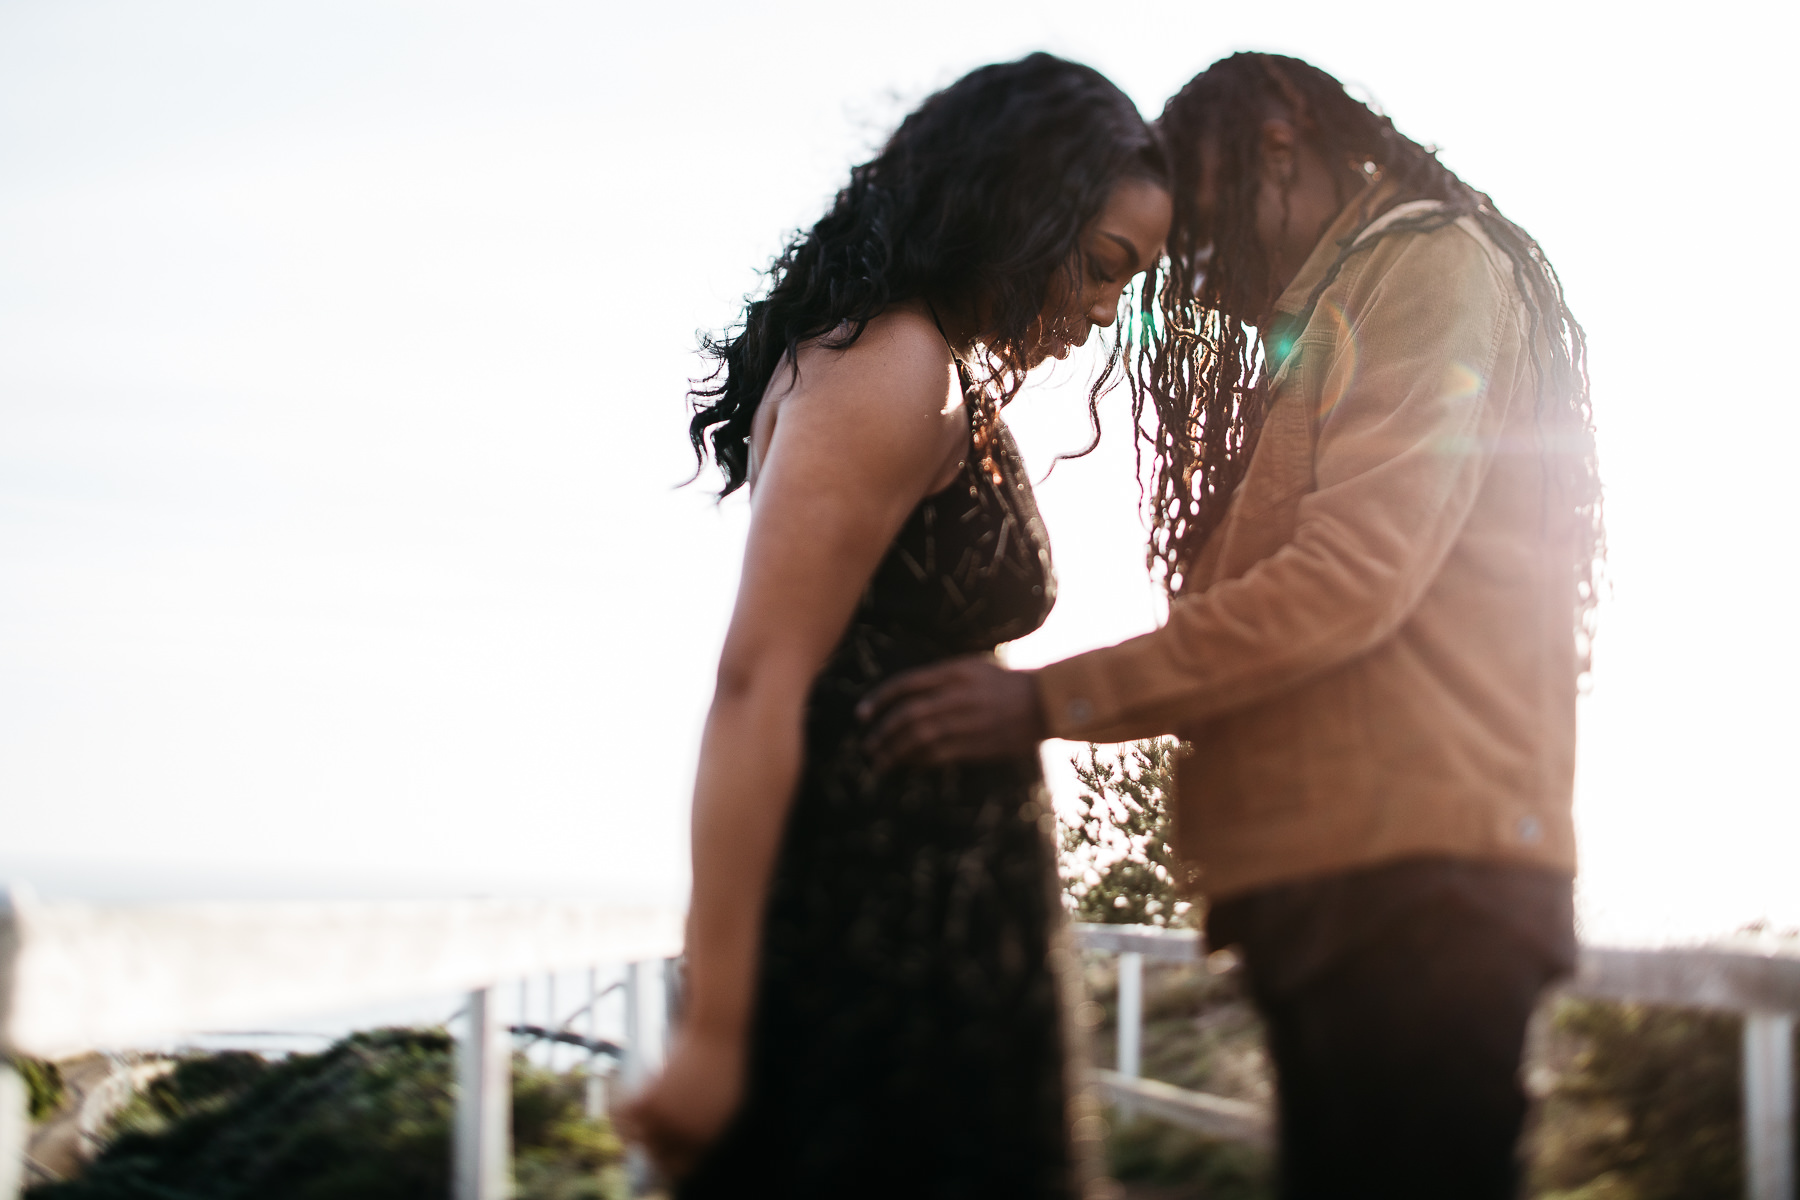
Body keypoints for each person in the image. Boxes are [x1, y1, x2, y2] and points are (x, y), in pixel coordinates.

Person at [862, 52, 1602, 1199]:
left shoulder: (1427, 265)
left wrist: (1042, 701)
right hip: (1358, 875)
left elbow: (1351, 578)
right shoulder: (1350, 296)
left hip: (1412, 887)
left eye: (1200, 235)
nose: (1195, 284)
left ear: (1277, 147)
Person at [620, 54, 1171, 1197]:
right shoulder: (892, 366)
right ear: (1021, 207)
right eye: (1102, 265)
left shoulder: (931, 364)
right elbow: (756, 687)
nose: (1106, 306)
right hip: (870, 968)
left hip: (934, 963)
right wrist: (716, 1030)